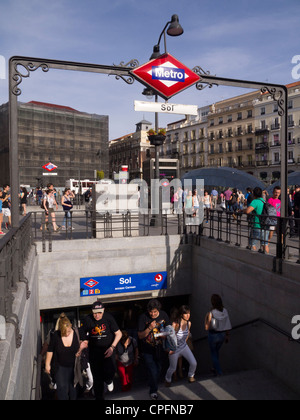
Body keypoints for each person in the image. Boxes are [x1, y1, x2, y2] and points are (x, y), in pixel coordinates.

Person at [79, 301, 122, 400]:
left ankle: (109, 380)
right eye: (95, 313)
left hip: (108, 351)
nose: (97, 315)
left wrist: (112, 347)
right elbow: (81, 331)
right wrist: (85, 340)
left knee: (110, 372)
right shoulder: (88, 319)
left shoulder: (109, 318)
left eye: (99, 313)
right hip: (94, 353)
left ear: (103, 310)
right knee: (97, 380)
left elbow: (118, 334)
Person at [138, 299, 170, 400]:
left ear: (158, 310)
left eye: (155, 312)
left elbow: (169, 330)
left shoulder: (164, 315)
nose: (152, 314)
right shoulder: (143, 318)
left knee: (158, 369)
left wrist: (166, 335)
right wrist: (149, 328)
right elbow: (140, 335)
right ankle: (153, 391)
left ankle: (151, 382)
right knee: (153, 370)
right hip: (147, 349)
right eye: (150, 311)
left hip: (160, 348)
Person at [45, 313, 81, 400]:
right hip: (60, 367)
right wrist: (47, 364)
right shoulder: (56, 335)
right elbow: (50, 350)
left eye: (68, 331)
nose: (67, 334)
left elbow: (83, 345)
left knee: (73, 389)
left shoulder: (76, 333)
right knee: (62, 389)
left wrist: (80, 351)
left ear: (71, 326)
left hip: (73, 366)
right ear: (60, 330)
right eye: (64, 332)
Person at [165, 305, 197, 386]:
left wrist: (184, 343)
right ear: (181, 314)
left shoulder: (189, 323)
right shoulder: (175, 324)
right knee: (172, 368)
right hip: (174, 349)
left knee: (193, 363)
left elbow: (187, 333)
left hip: (184, 347)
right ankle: (167, 380)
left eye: (189, 313)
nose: (188, 315)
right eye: (186, 314)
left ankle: (190, 376)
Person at [205, 295, 232, 376]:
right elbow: (227, 323)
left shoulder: (211, 313)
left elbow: (206, 327)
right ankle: (214, 368)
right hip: (222, 335)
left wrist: (207, 317)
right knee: (216, 352)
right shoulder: (225, 311)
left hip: (213, 335)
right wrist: (227, 335)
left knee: (213, 353)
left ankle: (219, 372)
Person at [244, 187, 270, 253]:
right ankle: (267, 259)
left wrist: (242, 210)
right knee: (265, 245)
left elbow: (248, 211)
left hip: (257, 225)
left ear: (253, 194)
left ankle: (252, 260)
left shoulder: (255, 201)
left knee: (252, 244)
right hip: (265, 226)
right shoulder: (264, 201)